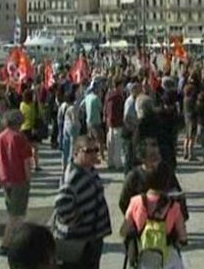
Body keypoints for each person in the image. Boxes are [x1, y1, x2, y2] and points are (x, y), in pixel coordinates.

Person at [53, 136, 112, 269]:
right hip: (78, 241)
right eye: (88, 151)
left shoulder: (89, 170)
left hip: (92, 237)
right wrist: (76, 220)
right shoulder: (73, 176)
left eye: (95, 150)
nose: (93, 154)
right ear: (76, 153)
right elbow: (61, 205)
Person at [121, 162, 188, 269]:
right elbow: (183, 237)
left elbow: (123, 231)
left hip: (142, 258)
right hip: (167, 260)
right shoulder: (173, 206)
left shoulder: (136, 201)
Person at [0, 109, 33, 255]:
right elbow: (26, 161)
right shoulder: (20, 138)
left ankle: (14, 241)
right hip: (18, 178)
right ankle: (7, 243)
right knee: (18, 215)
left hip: (5, 178)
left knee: (12, 212)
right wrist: (29, 179)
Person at [104, 76, 125, 170]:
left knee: (110, 145)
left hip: (109, 123)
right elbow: (120, 110)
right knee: (117, 145)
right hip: (117, 122)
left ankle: (110, 162)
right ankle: (118, 164)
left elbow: (106, 108)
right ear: (119, 85)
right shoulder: (118, 96)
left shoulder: (108, 95)